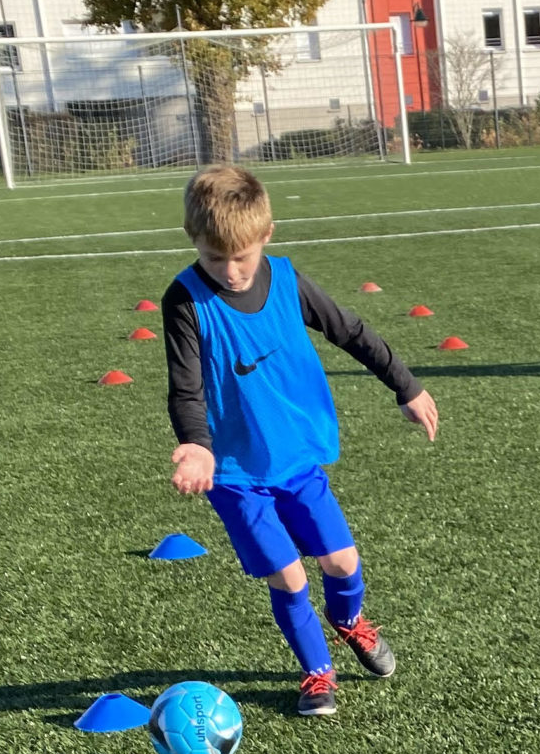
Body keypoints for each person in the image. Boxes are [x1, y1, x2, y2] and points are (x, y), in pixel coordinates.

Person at [163, 165, 438, 720]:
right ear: (193, 240)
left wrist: (405, 386)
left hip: (297, 459)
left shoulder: (287, 280)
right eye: (215, 259)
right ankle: (317, 672)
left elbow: (351, 332)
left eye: (241, 257)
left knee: (341, 561)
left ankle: (350, 622)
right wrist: (197, 445)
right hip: (236, 473)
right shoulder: (185, 299)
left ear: (267, 235)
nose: (231, 271)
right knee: (288, 575)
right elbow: (185, 387)